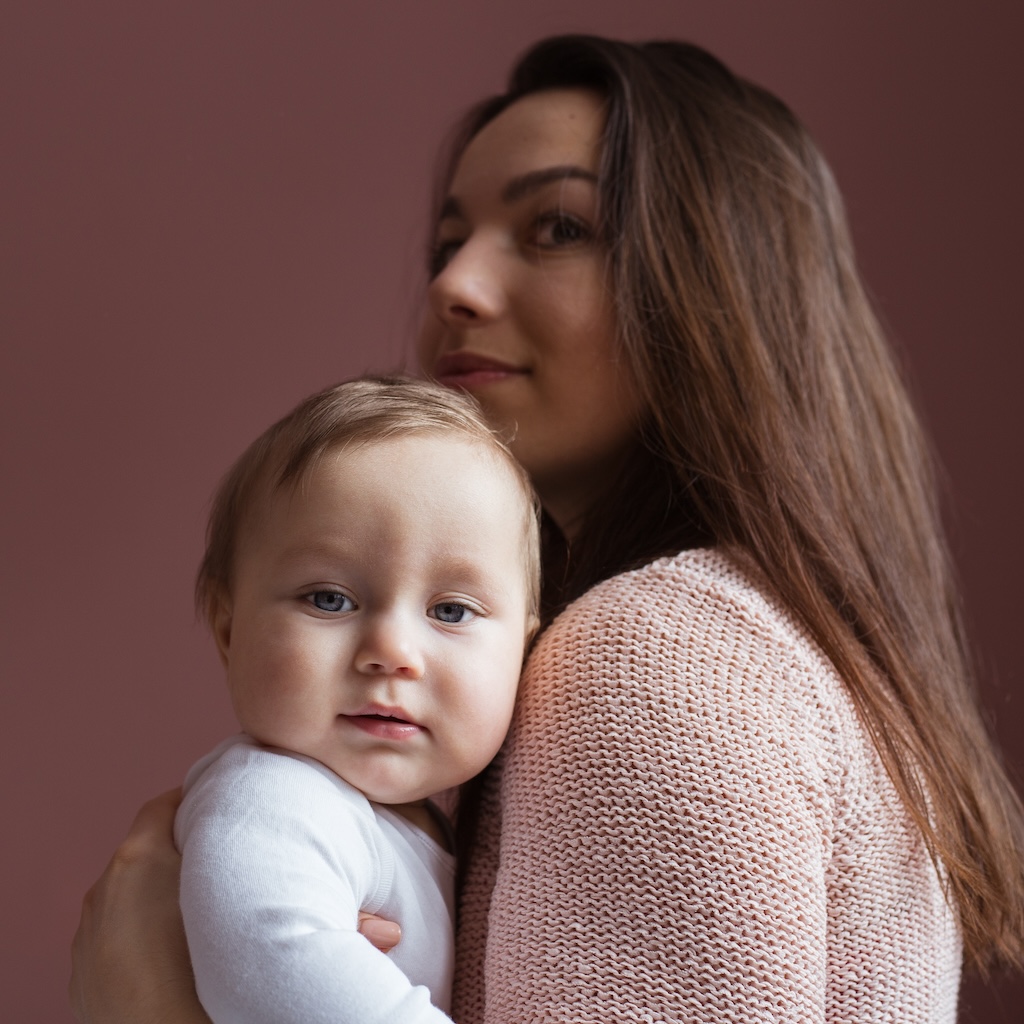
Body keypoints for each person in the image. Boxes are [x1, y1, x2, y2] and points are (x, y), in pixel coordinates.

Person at [70, 34, 1024, 1023]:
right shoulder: (778, 638)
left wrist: (144, 1005)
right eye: (450, 244)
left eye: (556, 227)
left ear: (718, 290)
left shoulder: (653, 659)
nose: (452, 287)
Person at [171, 377, 539, 1023]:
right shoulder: (276, 801)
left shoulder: (415, 819)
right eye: (329, 599)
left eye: (451, 610)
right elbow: (272, 966)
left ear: (522, 651)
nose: (392, 651)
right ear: (230, 630)